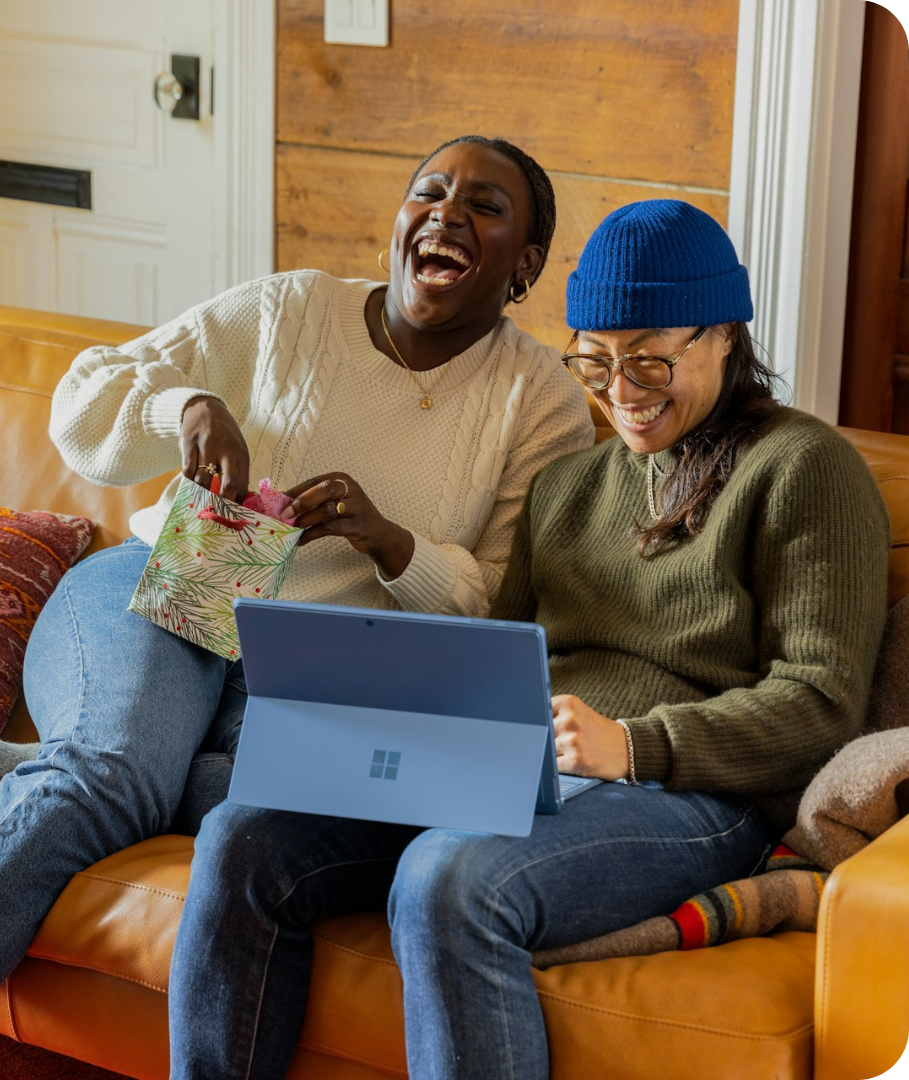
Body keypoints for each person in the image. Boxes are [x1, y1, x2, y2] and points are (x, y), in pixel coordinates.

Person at [0, 135, 594, 1080]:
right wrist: (187, 409)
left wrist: (389, 542)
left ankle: (45, 763)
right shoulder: (290, 310)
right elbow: (83, 401)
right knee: (118, 771)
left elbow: (497, 605)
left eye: (485, 207)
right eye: (430, 192)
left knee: (305, 798)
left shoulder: (543, 405)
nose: (447, 213)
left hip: (322, 666)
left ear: (524, 264)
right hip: (166, 584)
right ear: (400, 223)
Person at [165, 199, 890, 1080]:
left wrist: (637, 745)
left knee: (449, 878)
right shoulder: (567, 488)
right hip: (522, 769)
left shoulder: (805, 467)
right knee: (244, 832)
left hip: (692, 793)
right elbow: (496, 662)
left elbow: (821, 702)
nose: (621, 392)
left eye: (651, 360)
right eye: (596, 361)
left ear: (725, 336)